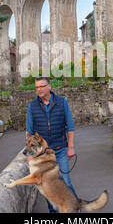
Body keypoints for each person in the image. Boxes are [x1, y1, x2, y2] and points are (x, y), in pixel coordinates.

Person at [26, 76, 77, 213]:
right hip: (43, 156)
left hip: (60, 150)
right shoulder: (32, 106)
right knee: (48, 186)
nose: (39, 89)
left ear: (49, 86)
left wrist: (70, 148)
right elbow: (29, 133)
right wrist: (30, 155)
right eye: (37, 87)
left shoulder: (62, 102)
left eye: (42, 86)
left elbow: (70, 127)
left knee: (65, 182)